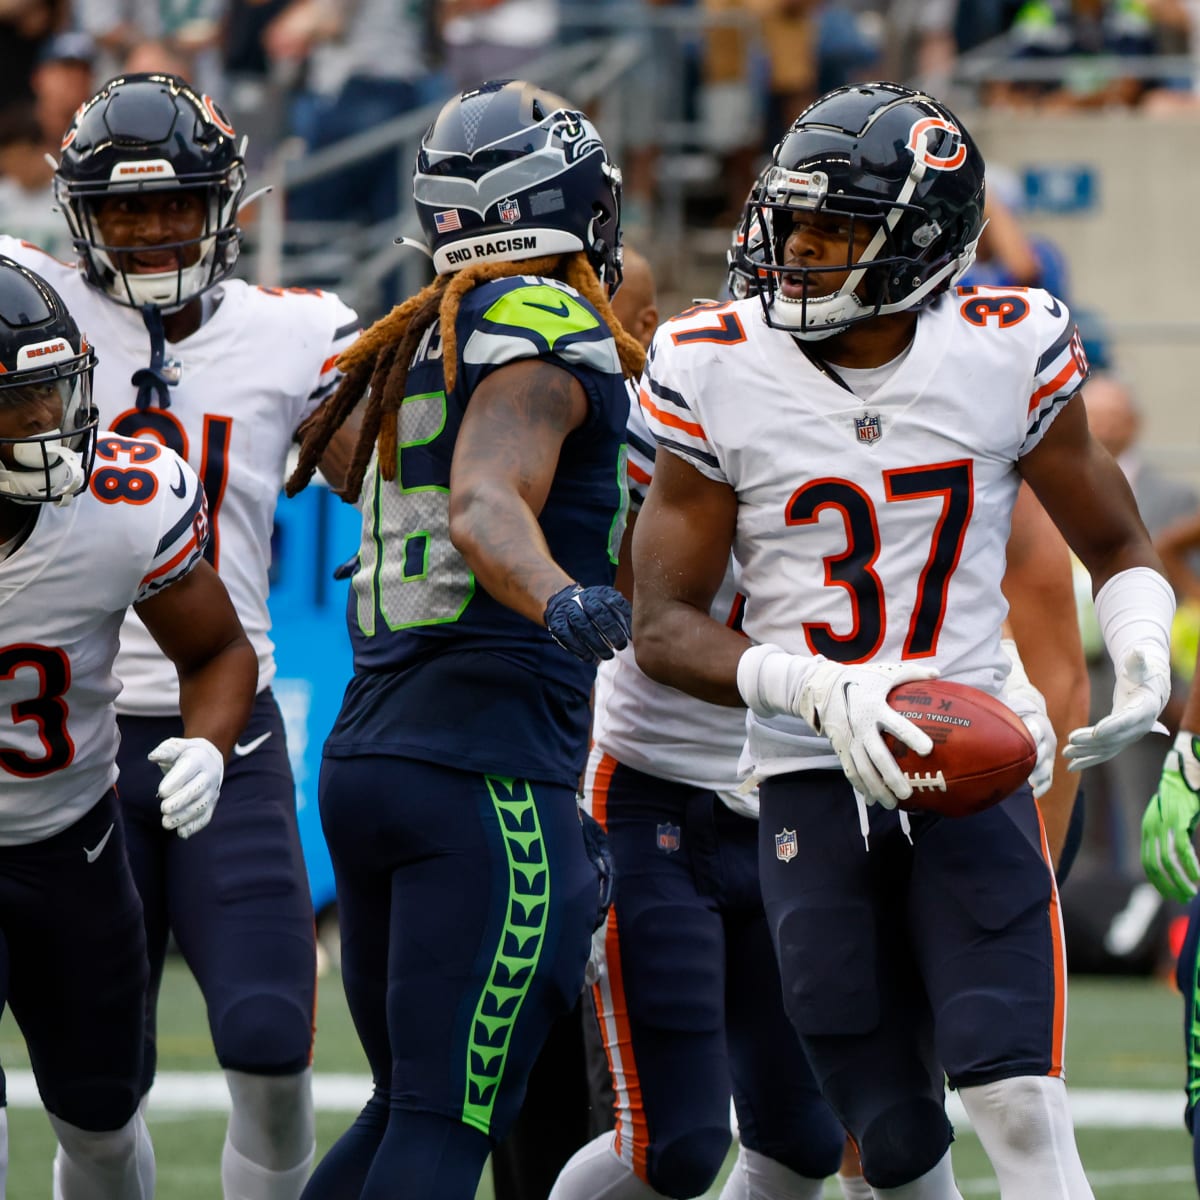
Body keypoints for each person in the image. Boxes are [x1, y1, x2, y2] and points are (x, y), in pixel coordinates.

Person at [631, 81, 1174, 1199]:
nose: (797, 248)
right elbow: (661, 626)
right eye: (790, 220)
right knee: (890, 1138)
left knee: (1021, 1098)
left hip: (966, 771)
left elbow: (1119, 542)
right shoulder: (712, 361)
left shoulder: (1005, 346)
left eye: (833, 228)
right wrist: (810, 690)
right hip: (807, 775)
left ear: (921, 243)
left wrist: (1143, 646)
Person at [0, 71, 361, 1200]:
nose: (152, 230)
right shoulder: (34, 312)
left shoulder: (297, 333)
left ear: (225, 202)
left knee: (266, 1033)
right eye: (123, 209)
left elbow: (407, 466)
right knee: (93, 1089)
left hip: (224, 714)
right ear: (77, 218)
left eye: (172, 204)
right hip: (79, 732)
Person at [285, 79, 644, 1198]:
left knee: (406, 1107)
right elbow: (489, 506)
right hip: (483, 772)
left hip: (375, 756)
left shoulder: (433, 329)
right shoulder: (545, 321)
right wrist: (560, 598)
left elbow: (345, 452)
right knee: (445, 1131)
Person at [0, 254, 257, 1195]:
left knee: (102, 1124)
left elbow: (219, 652)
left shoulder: (121, 498)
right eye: (20, 404)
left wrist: (209, 743)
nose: (52, 422)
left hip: (73, 841)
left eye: (55, 390)